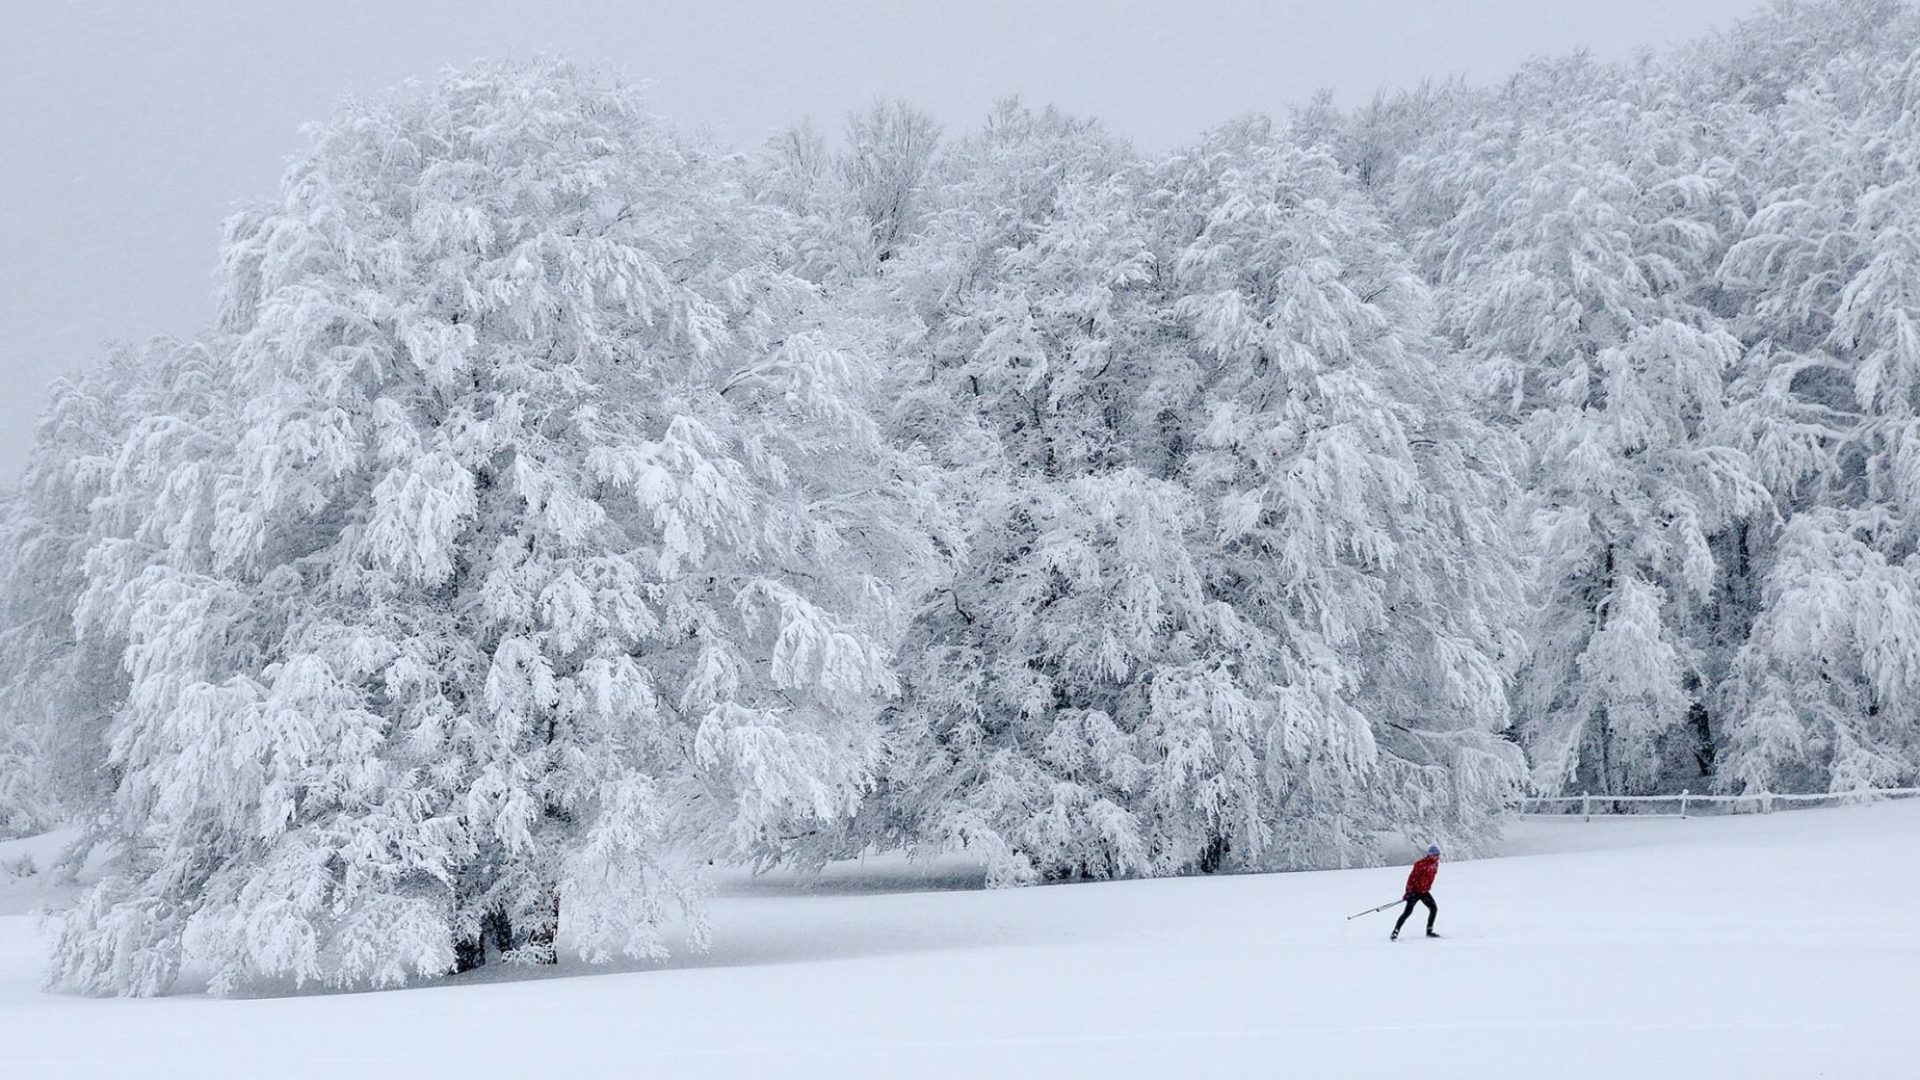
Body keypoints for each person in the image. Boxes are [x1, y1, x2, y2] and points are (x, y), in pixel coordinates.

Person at [1391, 844, 1441, 940]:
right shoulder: (1420, 864)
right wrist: (1408, 892)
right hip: (1415, 892)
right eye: (1435, 855)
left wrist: (1426, 888)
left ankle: (1429, 930)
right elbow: (1412, 878)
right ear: (1430, 855)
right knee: (1407, 912)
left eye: (1438, 855)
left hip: (1424, 892)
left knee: (1433, 909)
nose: (1437, 857)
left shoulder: (1435, 864)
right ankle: (1395, 931)